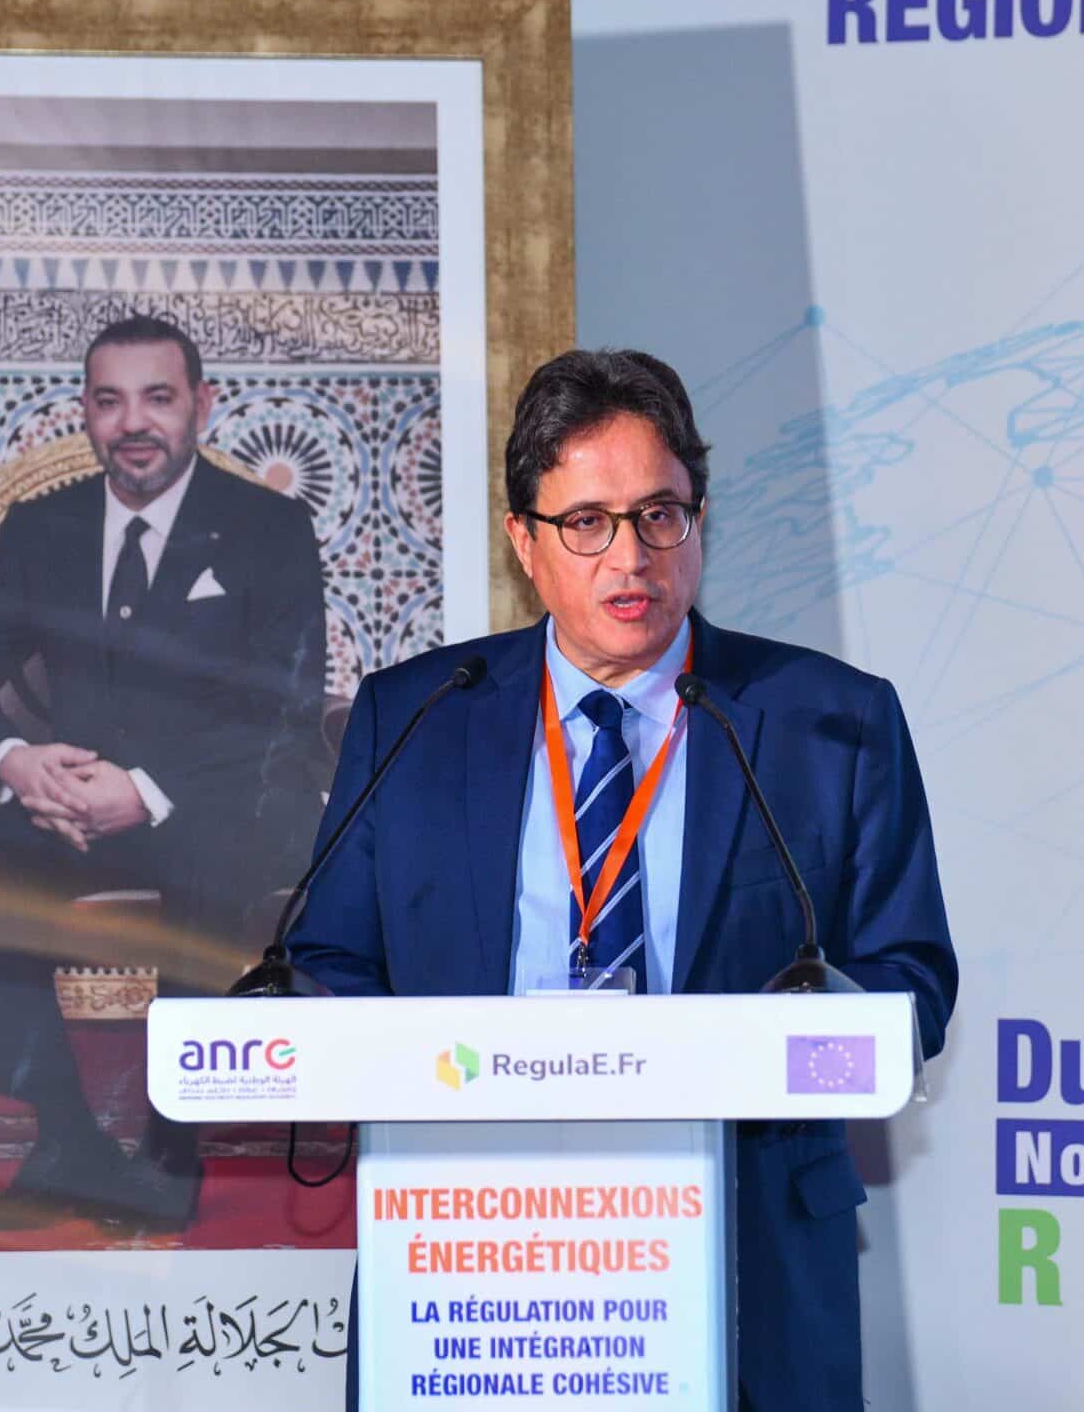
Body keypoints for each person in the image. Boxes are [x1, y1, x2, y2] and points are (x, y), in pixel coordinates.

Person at [287, 348, 957, 1409]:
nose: (631, 557)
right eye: (588, 523)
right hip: (470, 1249)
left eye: (659, 516)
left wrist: (775, 1047)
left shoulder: (828, 721)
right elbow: (327, 958)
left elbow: (910, 980)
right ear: (524, 541)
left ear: (700, 518)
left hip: (747, 1249)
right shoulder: (417, 716)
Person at [0, 314, 328, 1231]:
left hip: (222, 803)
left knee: (210, 859)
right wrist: (19, 763)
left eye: (157, 398)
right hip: (76, 809)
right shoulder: (45, 527)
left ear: (201, 405)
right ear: (87, 412)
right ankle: (65, 1143)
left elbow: (283, 705)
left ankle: (171, 1155)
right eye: (110, 401)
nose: (133, 422)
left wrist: (142, 792)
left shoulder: (268, 528)